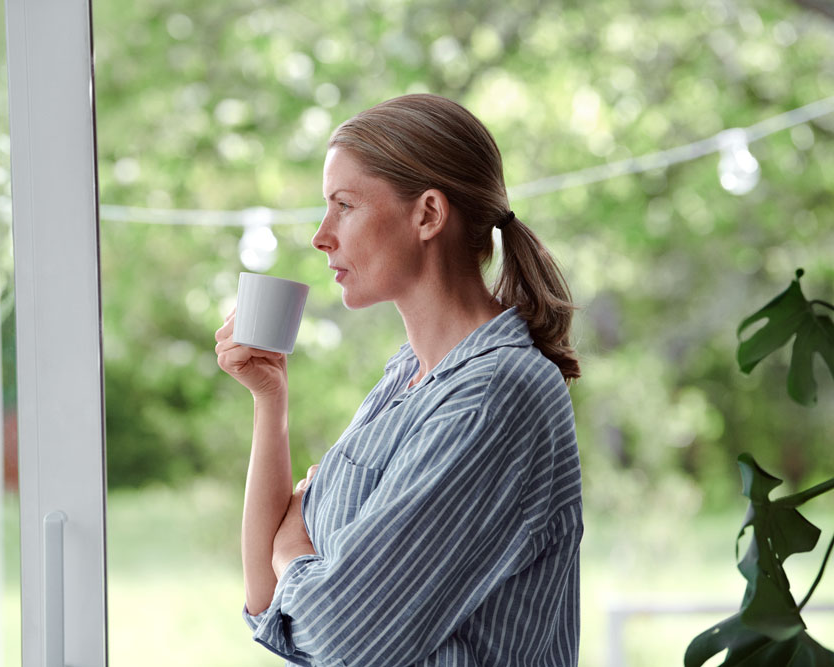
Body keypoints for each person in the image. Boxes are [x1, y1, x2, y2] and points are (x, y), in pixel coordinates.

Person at [215, 93, 583, 667]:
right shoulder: (406, 378)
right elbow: (265, 603)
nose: (321, 235)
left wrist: (293, 552)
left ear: (429, 215)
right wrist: (270, 401)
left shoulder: (496, 395)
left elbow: (345, 639)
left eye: (345, 205)